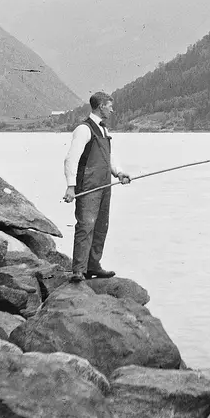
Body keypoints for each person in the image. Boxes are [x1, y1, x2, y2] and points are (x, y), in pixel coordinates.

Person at [62, 91, 131, 282]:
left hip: (105, 185)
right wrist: (70, 186)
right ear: (101, 106)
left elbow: (108, 157)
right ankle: (78, 270)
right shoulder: (84, 129)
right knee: (86, 226)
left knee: (101, 226)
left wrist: (119, 173)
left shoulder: (105, 130)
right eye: (109, 106)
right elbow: (70, 159)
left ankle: (93, 265)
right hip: (88, 186)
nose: (112, 109)